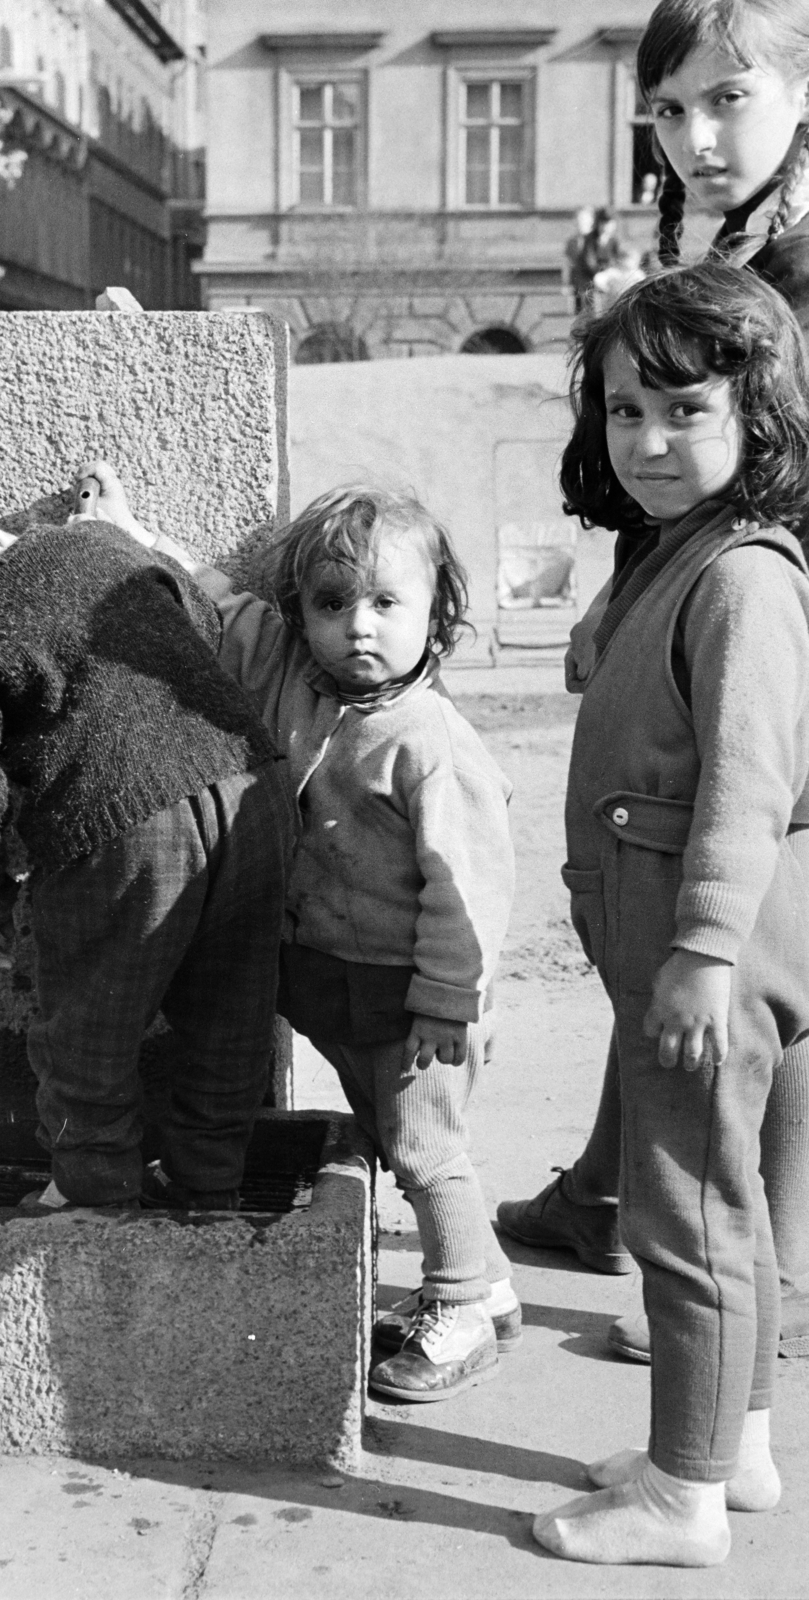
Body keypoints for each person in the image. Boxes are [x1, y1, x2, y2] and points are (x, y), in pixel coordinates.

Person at [499, 0, 809, 1362]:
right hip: (717, 601)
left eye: (726, 101)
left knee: (751, 947)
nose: (691, 136)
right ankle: (620, 1194)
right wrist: (624, 593)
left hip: (771, 630)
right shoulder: (720, 244)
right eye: (667, 109)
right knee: (697, 937)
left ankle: (758, 1276)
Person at [97, 473, 519, 1404]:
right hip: (338, 981)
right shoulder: (293, 673)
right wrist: (131, 534)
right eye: (333, 605)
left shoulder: (430, 742)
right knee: (386, 1132)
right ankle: (486, 1287)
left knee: (424, 1148)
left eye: (384, 603)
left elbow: (471, 889)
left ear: (436, 612)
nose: (357, 627)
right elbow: (213, 604)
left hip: (419, 998)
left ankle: (459, 1312)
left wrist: (450, 1002)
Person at [531, 263, 809, 1567]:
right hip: (687, 941)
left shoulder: (742, 580)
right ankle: (729, 1449)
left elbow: (749, 785)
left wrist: (697, 952)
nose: (642, 440)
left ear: (754, 416)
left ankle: (677, 1498)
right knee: (728, 1205)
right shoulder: (680, 550)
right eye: (620, 408)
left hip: (707, 953)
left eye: (679, 411)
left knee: (683, 1215)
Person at [0, 479, 294, 1213]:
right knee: (231, 1015)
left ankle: (92, 1187)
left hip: (121, 825)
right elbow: (200, 620)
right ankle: (208, 1181)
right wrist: (121, 532)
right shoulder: (92, 544)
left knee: (88, 1030)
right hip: (256, 789)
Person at [591, 242, 646, 315]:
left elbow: (643, 283)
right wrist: (606, 288)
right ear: (622, 260)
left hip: (631, 304)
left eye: (635, 260)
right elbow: (598, 279)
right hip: (614, 304)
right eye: (630, 259)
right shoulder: (614, 272)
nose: (633, 263)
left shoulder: (637, 274)